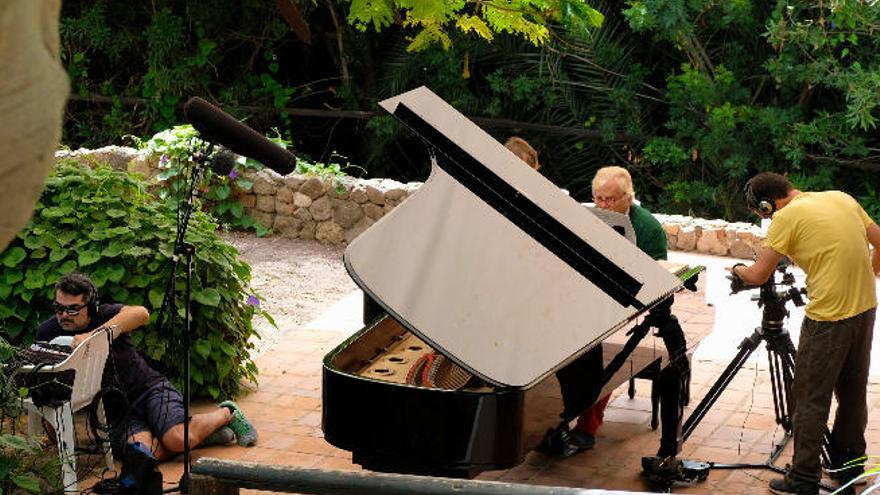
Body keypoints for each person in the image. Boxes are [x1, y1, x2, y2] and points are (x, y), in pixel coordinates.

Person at [730, 173, 880, 495]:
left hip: (828, 318)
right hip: (865, 308)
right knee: (852, 393)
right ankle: (849, 466)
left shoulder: (785, 217)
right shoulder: (841, 197)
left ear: (767, 205)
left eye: (762, 213)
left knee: (809, 399)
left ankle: (802, 480)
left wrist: (736, 272)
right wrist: (873, 271)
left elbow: (757, 275)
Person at [36, 272, 258, 461]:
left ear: (91, 307)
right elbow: (45, 382)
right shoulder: (48, 332)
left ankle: (227, 413)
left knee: (177, 438)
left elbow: (141, 313)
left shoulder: (106, 315)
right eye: (59, 307)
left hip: (149, 389)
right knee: (140, 455)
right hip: (116, 410)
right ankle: (200, 436)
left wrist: (93, 337)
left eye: (73, 309)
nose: (64, 315)